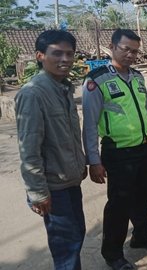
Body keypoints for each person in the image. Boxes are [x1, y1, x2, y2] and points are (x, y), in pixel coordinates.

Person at [82, 29, 147, 270]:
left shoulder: (139, 78)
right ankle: (113, 254)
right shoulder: (96, 80)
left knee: (144, 197)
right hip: (118, 153)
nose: (131, 55)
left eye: (135, 51)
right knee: (119, 205)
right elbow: (89, 124)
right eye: (125, 49)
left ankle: (142, 237)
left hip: (144, 149)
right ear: (112, 47)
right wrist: (94, 161)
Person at [15, 30, 87, 270]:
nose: (65, 59)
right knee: (66, 246)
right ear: (40, 56)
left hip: (69, 180)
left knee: (76, 235)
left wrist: (81, 164)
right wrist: (37, 192)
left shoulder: (63, 88)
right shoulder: (33, 93)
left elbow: (66, 136)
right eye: (57, 53)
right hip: (53, 187)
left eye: (69, 53)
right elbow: (29, 148)